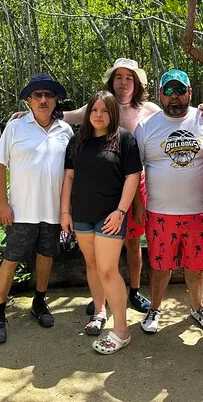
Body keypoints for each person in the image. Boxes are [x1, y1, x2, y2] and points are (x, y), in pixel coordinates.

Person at [10, 58, 203, 314]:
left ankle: (135, 290)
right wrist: (28, 115)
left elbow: (179, 118)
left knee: (133, 243)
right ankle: (102, 295)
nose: (123, 82)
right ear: (112, 81)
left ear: (136, 83)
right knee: (102, 245)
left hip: (134, 183)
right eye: (119, 77)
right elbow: (62, 115)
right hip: (103, 185)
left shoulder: (149, 109)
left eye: (129, 78)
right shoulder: (100, 105)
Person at [133, 69, 203, 334]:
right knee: (160, 266)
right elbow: (134, 171)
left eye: (180, 90)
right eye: (169, 90)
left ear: (190, 93)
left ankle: (198, 308)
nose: (175, 96)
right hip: (160, 212)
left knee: (196, 267)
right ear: (160, 94)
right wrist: (138, 206)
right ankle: (155, 309)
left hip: (200, 211)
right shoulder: (146, 127)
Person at [0, 74, 74, 344]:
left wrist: (68, 210)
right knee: (11, 259)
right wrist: (3, 202)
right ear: (29, 100)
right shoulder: (15, 127)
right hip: (20, 211)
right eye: (38, 95)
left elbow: (71, 173)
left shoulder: (66, 131)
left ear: (56, 100)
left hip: (53, 211)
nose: (44, 99)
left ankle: (39, 302)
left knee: (46, 256)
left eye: (49, 95)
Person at [60, 90, 142, 354]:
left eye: (104, 110)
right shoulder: (77, 141)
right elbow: (69, 178)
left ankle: (122, 330)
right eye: (94, 110)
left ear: (113, 113)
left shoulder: (125, 139)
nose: (98, 115)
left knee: (108, 270)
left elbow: (132, 177)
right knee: (92, 265)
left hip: (111, 216)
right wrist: (65, 212)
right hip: (82, 214)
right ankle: (99, 312)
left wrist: (121, 211)